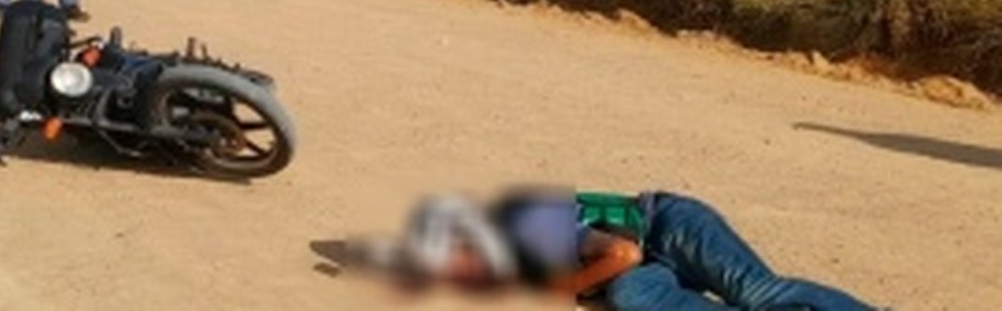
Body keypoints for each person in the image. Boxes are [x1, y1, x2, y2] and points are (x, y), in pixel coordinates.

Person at [353, 188, 876, 310]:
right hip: (648, 268)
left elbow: (620, 253)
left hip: (668, 225)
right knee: (629, 296)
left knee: (758, 292)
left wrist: (563, 291)